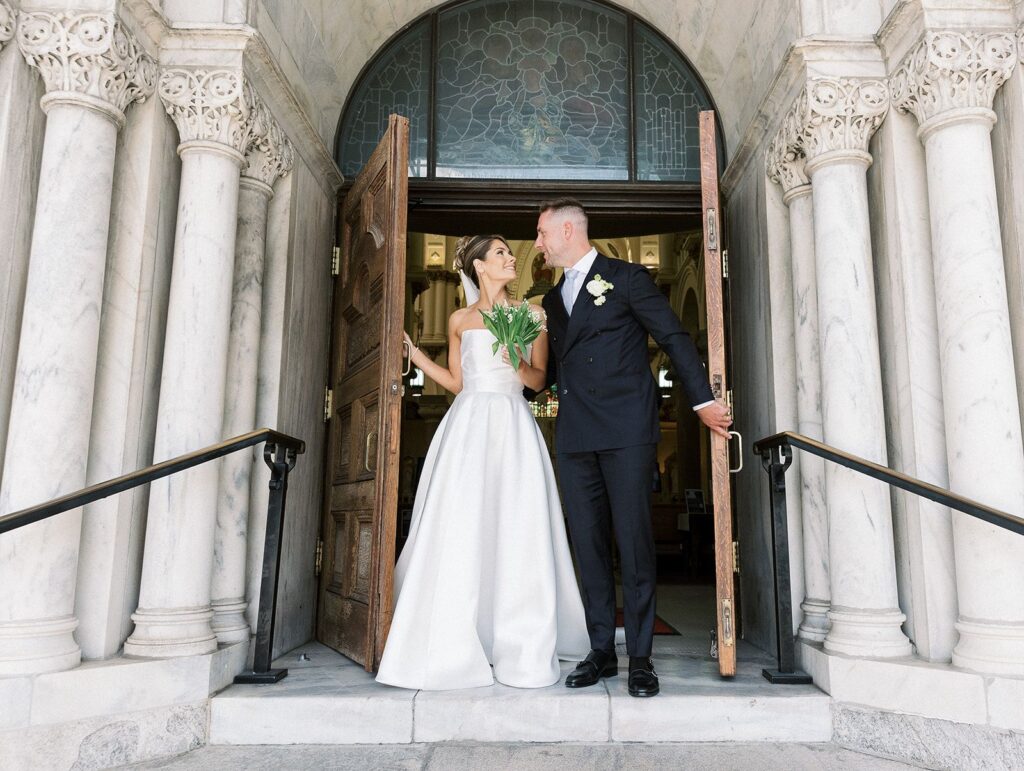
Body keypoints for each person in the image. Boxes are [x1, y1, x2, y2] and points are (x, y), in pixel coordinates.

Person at [536, 198, 733, 698]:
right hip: (576, 436)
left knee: (635, 542)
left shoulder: (626, 278)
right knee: (589, 544)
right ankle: (601, 650)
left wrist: (702, 401)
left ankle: (641, 659)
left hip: (627, 431)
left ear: (565, 230)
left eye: (540, 234)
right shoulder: (553, 301)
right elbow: (553, 373)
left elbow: (674, 337)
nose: (537, 244)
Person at [375, 234, 590, 690]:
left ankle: (520, 638)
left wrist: (516, 359)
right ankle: (455, 634)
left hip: (513, 424)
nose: (512, 258)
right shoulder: (458, 320)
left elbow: (537, 381)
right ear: (478, 267)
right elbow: (457, 382)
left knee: (517, 524)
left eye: (510, 253)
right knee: (462, 523)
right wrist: (414, 357)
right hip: (468, 426)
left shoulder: (533, 315)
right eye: (501, 254)